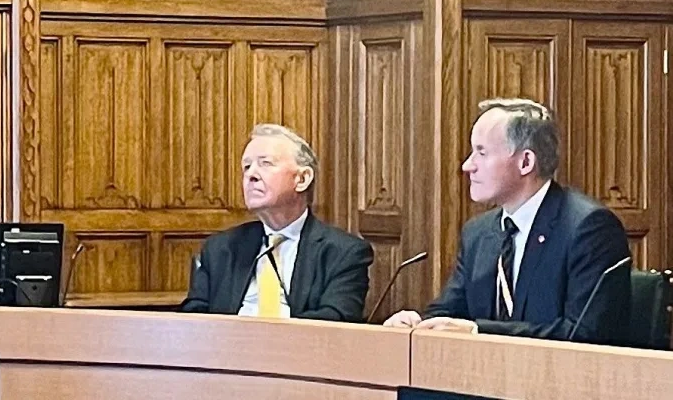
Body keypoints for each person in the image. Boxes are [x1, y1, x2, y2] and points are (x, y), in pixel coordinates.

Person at [383, 98, 631, 344]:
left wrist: (478, 332)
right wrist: (416, 325)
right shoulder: (478, 234)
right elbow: (449, 314)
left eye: (481, 152)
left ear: (525, 162)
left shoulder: (588, 229)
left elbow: (583, 334)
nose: (467, 166)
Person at [182, 124, 373, 321]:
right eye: (246, 167)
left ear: (302, 179)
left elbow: (336, 320)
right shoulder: (220, 248)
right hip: (228, 347)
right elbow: (193, 319)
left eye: (265, 163)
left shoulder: (343, 253)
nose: (251, 175)